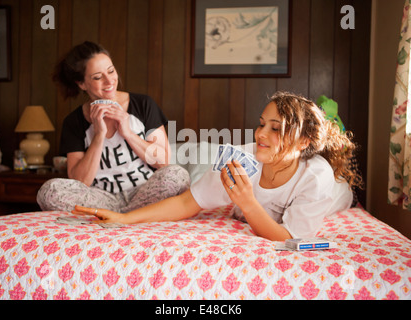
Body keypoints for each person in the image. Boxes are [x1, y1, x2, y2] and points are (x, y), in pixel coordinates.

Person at [72, 91, 363, 241]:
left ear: (302, 141)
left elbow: (289, 238)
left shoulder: (315, 176)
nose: (260, 134)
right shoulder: (240, 158)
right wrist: (124, 219)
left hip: (336, 195)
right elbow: (188, 202)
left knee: (343, 193)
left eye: (276, 129)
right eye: (261, 124)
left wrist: (247, 203)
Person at [37, 41, 190, 212]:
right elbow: (80, 182)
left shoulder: (143, 105)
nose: (109, 81)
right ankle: (129, 215)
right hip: (101, 199)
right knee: (49, 191)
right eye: (97, 77)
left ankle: (120, 217)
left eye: (111, 71)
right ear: (81, 84)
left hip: (144, 193)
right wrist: (99, 134)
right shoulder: (74, 122)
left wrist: (128, 133)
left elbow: (163, 162)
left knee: (178, 175)